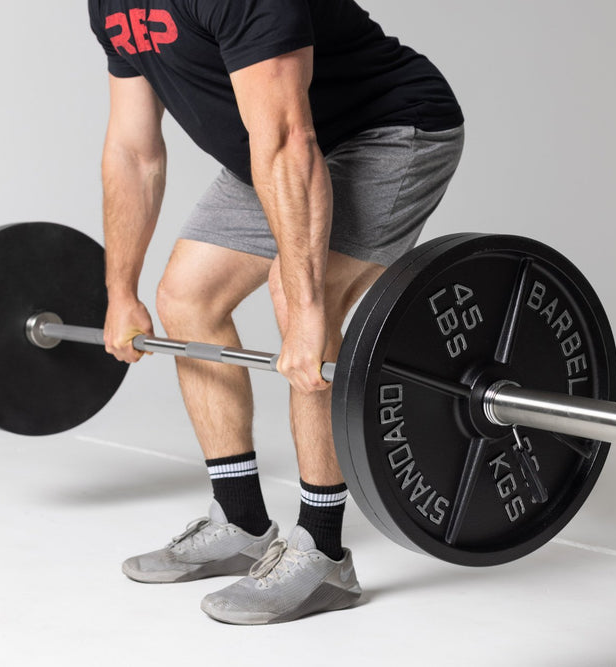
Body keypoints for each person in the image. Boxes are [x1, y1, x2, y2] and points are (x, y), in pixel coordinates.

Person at [88, 0, 464, 624]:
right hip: (268, 150)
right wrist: (119, 289)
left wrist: (312, 308)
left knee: (297, 299)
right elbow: (133, 150)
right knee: (185, 297)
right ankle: (241, 522)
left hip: (387, 132)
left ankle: (323, 554)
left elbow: (290, 140)